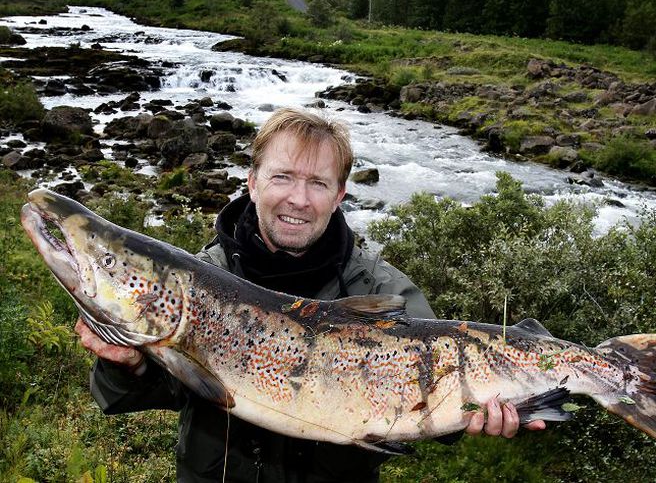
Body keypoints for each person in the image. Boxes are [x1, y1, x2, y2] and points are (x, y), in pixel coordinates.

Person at [75, 107, 545, 482]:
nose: (299, 199)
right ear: (253, 182)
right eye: (282, 177)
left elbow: (437, 393)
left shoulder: (385, 290)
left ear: (340, 195)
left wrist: (475, 414)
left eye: (317, 183)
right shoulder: (203, 278)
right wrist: (127, 365)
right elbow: (128, 397)